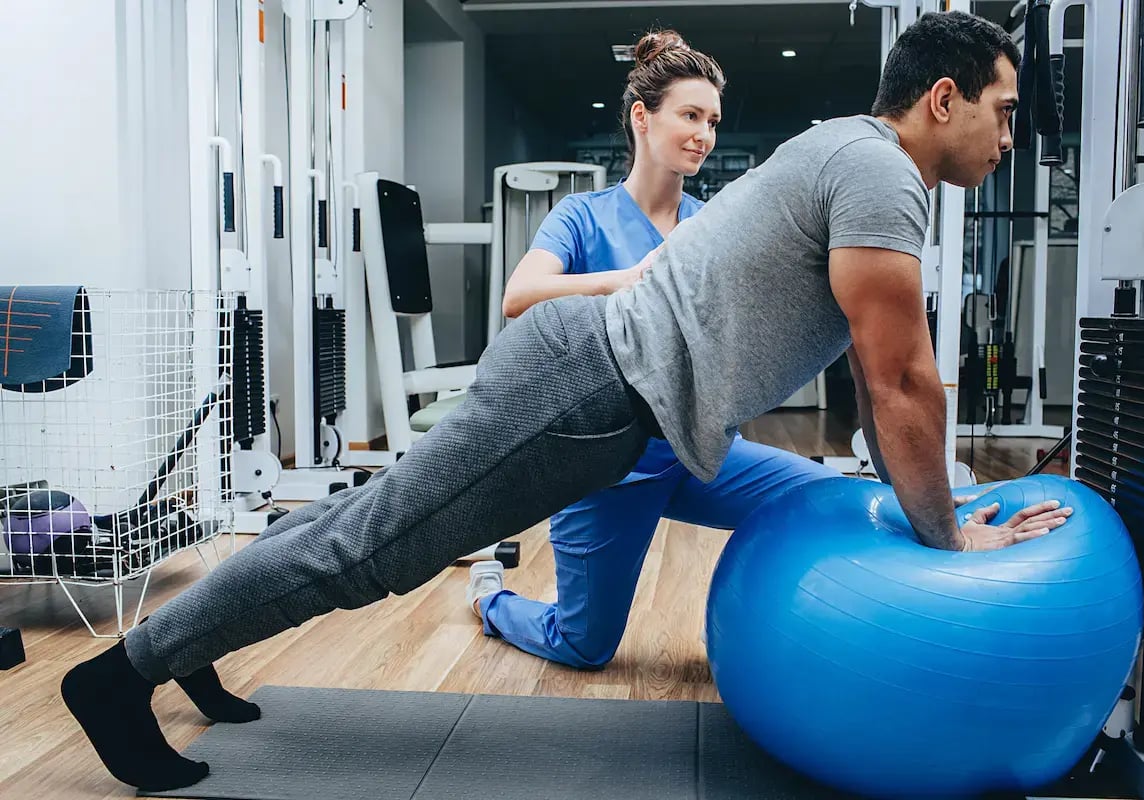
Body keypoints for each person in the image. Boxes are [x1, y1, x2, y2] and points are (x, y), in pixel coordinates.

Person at [62, 11, 1071, 792]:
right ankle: (119, 676)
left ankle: (191, 644)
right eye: (1005, 107)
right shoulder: (878, 171)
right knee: (372, 549)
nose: (1011, 133)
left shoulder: (854, 158)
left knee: (355, 525)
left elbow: (887, 376)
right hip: (585, 384)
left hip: (602, 395)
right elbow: (899, 379)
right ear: (944, 98)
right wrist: (949, 543)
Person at [465, 30, 842, 670]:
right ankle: (490, 599)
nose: (704, 134)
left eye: (713, 120)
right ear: (643, 118)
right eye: (689, 116)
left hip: (697, 452)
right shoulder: (582, 216)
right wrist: (630, 278)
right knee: (584, 646)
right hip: (608, 468)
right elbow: (520, 295)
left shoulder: (712, 221)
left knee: (822, 498)